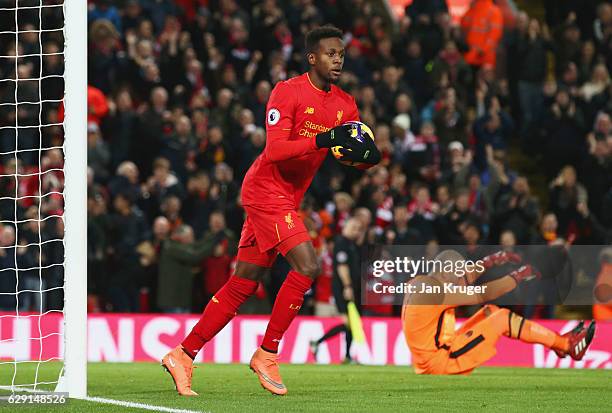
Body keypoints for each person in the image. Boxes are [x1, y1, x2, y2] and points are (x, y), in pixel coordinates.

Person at [162, 25, 380, 396]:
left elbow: (349, 154)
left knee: (243, 283)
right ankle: (267, 353)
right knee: (308, 265)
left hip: (288, 198)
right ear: (312, 57)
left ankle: (183, 354)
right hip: (265, 189)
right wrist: (327, 138)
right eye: (330, 53)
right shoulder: (288, 91)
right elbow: (277, 150)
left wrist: (368, 159)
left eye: (341, 54)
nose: (337, 59)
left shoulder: (345, 104)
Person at [401, 249, 596, 375]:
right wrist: (520, 274)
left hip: (430, 358)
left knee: (490, 312)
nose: (462, 278)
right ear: (446, 272)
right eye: (458, 273)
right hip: (438, 363)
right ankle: (566, 345)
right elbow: (485, 293)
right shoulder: (437, 292)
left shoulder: (422, 283)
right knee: (501, 318)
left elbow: (467, 278)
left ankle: (558, 345)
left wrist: (491, 261)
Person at [310, 217, 363, 363]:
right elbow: (342, 266)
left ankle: (347, 356)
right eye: (355, 227)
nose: (357, 231)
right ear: (347, 226)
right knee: (348, 322)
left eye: (359, 229)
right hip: (342, 288)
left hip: (348, 288)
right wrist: (347, 286)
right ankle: (318, 342)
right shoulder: (341, 243)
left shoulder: (351, 244)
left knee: (351, 323)